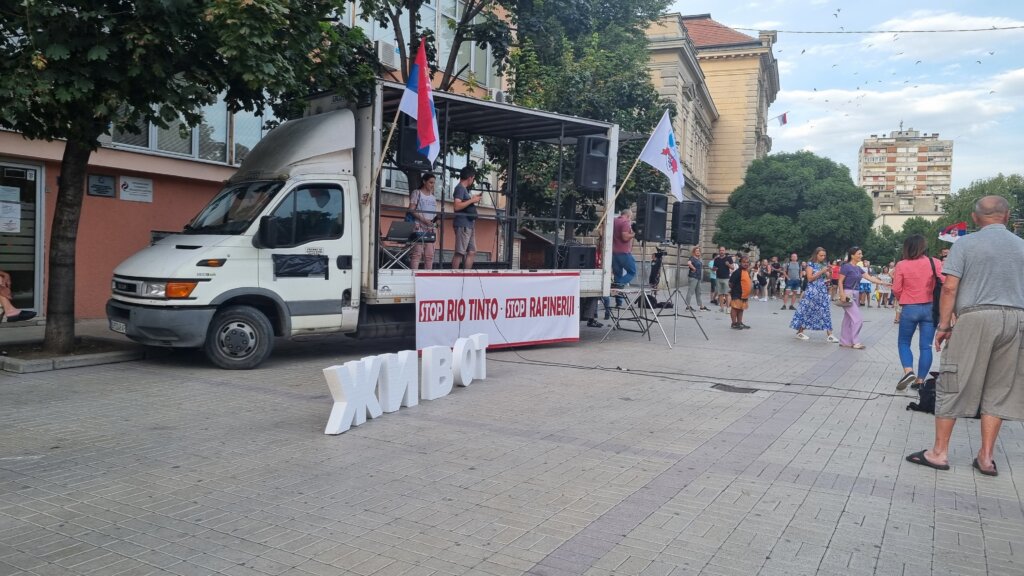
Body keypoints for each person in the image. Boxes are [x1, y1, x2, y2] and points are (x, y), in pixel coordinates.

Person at [906, 196, 1024, 476]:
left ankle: (939, 453)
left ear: (974, 218)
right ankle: (986, 457)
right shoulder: (1022, 247)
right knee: (1001, 387)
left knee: (954, 380)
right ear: (1007, 217)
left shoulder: (965, 245)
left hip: (976, 317)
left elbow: (949, 288)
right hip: (1017, 319)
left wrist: (944, 325)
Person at [891, 235, 942, 391]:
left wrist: (903, 298)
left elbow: (896, 289)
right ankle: (920, 380)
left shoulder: (901, 265)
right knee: (926, 346)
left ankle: (909, 371)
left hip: (910, 308)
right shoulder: (935, 262)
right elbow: (946, 283)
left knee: (904, 342)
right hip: (930, 309)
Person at [836, 248, 890, 349]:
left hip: (856, 294)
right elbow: (840, 281)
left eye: (861, 254)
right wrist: (842, 294)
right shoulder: (846, 267)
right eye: (859, 254)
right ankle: (855, 341)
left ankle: (844, 341)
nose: (861, 255)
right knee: (858, 319)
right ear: (852, 255)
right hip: (848, 294)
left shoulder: (858, 268)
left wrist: (883, 283)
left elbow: (870, 278)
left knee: (848, 318)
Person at [790, 248, 838, 342]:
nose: (823, 257)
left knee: (825, 311)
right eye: (821, 255)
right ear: (816, 255)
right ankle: (800, 332)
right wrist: (821, 271)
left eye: (824, 255)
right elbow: (810, 278)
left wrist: (830, 273)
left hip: (822, 290)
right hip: (812, 291)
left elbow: (829, 278)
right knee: (807, 311)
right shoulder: (810, 264)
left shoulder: (823, 265)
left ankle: (830, 334)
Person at [451, 166, 481, 270]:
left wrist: (472, 199)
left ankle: (466, 274)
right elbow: (457, 206)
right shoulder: (459, 188)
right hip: (463, 224)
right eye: (473, 178)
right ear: (470, 178)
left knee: (472, 251)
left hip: (469, 224)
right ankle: (454, 275)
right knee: (460, 252)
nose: (473, 181)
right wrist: (472, 200)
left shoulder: (464, 189)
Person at [408, 172, 438, 270]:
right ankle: (414, 276)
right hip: (419, 226)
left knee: (429, 255)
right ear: (424, 181)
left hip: (430, 228)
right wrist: (423, 219)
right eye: (430, 182)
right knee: (417, 254)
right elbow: (411, 209)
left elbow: (434, 213)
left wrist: (435, 222)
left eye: (434, 183)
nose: (432, 185)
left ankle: (428, 276)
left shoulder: (433, 197)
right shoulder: (417, 193)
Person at [729, 256, 753, 329]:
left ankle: (739, 322)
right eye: (744, 262)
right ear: (740, 263)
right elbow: (730, 283)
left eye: (747, 262)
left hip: (744, 295)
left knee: (741, 308)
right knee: (735, 308)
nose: (745, 264)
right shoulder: (737, 272)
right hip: (737, 293)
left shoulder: (746, 271)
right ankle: (734, 323)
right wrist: (734, 290)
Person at [683, 246, 709, 312]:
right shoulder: (692, 258)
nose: (698, 252)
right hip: (693, 277)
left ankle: (701, 306)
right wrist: (693, 268)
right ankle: (688, 306)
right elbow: (688, 263)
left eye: (699, 251)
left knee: (698, 292)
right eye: (696, 251)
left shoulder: (698, 259)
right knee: (690, 291)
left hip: (698, 277)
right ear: (694, 252)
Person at [712, 246, 733, 312]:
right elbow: (714, 268)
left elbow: (732, 268)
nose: (721, 251)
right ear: (719, 251)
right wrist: (714, 269)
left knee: (727, 294)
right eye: (720, 250)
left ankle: (728, 308)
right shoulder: (716, 259)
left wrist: (728, 264)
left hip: (726, 278)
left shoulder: (728, 258)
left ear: (725, 251)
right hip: (718, 278)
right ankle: (721, 308)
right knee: (720, 294)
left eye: (723, 250)